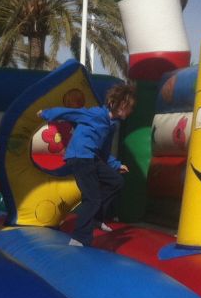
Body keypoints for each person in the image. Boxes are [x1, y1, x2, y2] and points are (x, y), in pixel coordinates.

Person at [38, 82, 135, 246]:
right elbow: (70, 113)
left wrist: (116, 165)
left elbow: (104, 152)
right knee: (93, 198)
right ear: (116, 104)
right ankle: (79, 238)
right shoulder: (95, 114)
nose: (130, 111)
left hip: (92, 158)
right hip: (79, 157)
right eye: (128, 107)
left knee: (116, 181)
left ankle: (96, 219)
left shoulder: (111, 126)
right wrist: (46, 113)